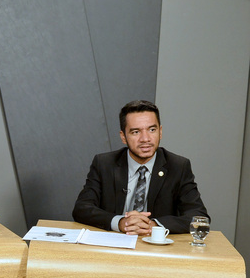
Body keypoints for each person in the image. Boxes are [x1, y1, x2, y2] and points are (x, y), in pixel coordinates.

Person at [72, 100, 207, 235]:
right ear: (123, 137)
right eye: (136, 132)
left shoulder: (178, 166)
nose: (145, 139)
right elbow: (82, 208)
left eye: (152, 130)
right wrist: (120, 223)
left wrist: (153, 225)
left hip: (156, 245)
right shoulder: (104, 163)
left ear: (160, 132)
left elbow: (198, 216)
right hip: (115, 241)